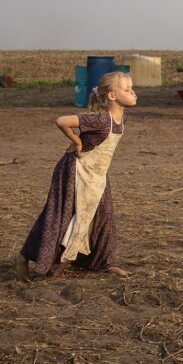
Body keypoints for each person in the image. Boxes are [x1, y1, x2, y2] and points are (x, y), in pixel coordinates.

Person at [14, 71, 137, 280]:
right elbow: (62, 120)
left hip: (97, 175)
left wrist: (80, 139)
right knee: (60, 217)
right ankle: (23, 258)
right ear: (112, 96)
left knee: (104, 216)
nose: (133, 92)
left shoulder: (121, 118)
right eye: (126, 89)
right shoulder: (99, 119)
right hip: (76, 172)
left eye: (132, 88)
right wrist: (77, 141)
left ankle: (103, 262)